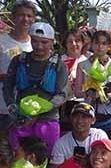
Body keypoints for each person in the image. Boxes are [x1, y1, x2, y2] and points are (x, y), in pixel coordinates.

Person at [4, 21, 68, 152]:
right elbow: (7, 86)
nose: (39, 46)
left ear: (51, 42)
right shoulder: (18, 60)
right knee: (17, 158)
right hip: (21, 119)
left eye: (44, 42)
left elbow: (62, 94)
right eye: (35, 41)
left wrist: (41, 110)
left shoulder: (59, 65)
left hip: (47, 120)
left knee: (47, 159)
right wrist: (12, 106)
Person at [74, 30, 111, 142]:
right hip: (89, 115)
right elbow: (77, 92)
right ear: (91, 44)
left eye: (104, 43)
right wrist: (89, 93)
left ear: (109, 46)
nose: (100, 47)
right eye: (96, 43)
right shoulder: (82, 65)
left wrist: (109, 95)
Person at [50, 102, 108, 168]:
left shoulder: (99, 135)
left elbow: (106, 161)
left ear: (93, 120)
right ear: (71, 118)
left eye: (84, 117)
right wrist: (71, 164)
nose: (80, 121)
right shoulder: (61, 142)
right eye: (76, 116)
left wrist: (88, 162)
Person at [0, 0, 34, 135]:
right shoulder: (2, 41)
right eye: (21, 15)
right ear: (13, 17)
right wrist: (11, 77)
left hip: (27, 110)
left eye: (29, 16)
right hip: (2, 108)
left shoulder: (37, 43)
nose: (25, 19)